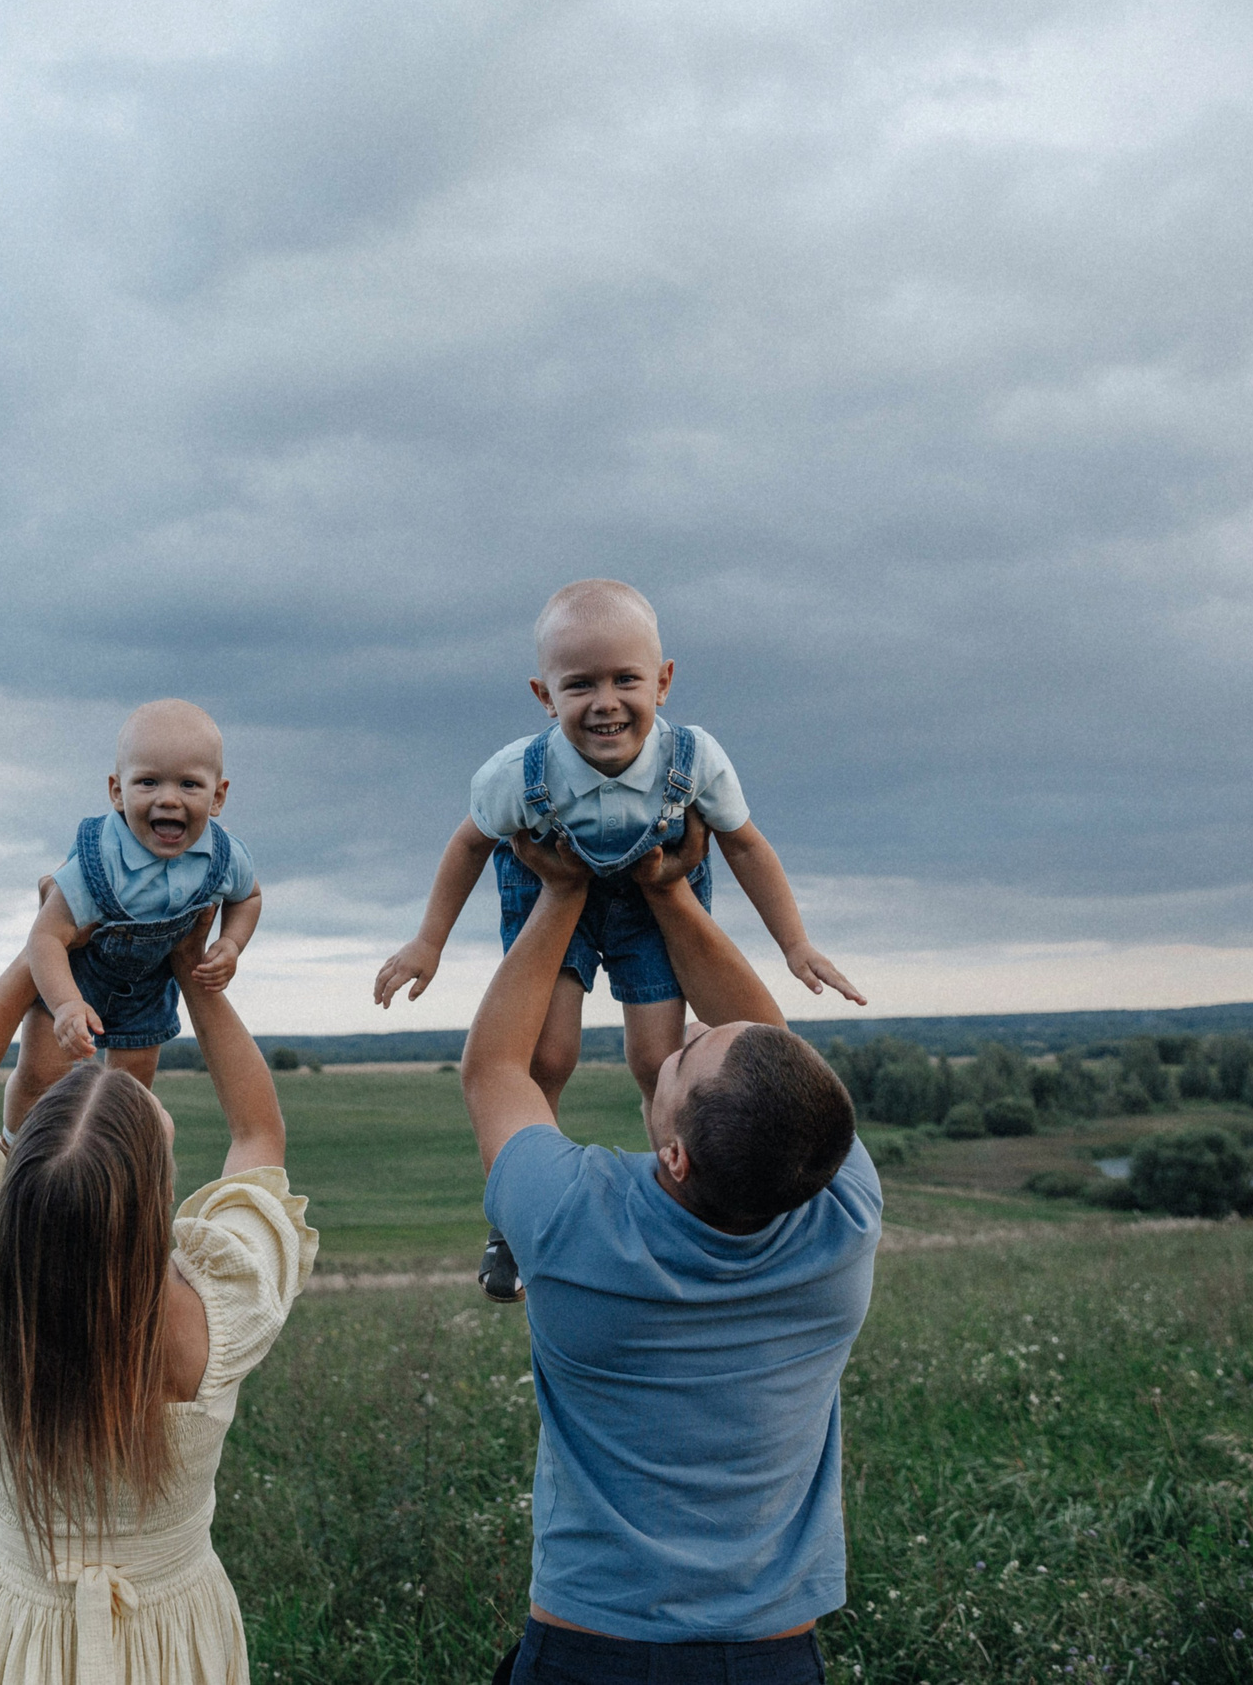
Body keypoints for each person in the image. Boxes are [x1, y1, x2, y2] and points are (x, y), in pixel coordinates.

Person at [461, 814, 879, 1685]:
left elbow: (496, 1069)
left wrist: (560, 895)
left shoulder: (574, 1221)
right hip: (771, 1655)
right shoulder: (841, 1210)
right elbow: (777, 1052)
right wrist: (669, 890)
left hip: (589, 1645)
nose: (674, 1046)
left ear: (675, 1155)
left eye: (680, 1063)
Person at [372, 579, 862, 1299]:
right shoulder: (519, 773)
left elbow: (747, 846)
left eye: (625, 679)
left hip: (651, 897)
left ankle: (682, 1189)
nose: (605, 701)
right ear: (545, 695)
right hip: (546, 890)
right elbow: (469, 845)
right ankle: (513, 1217)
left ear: (662, 682)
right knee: (548, 1052)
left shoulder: (694, 761)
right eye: (580, 684)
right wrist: (427, 942)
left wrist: (794, 941)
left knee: (658, 1058)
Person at [0, 914, 314, 1685]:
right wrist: (193, 972)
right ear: (158, 1202)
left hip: (15, 1637)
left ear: (14, 1198)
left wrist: (42, 947)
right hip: (175, 1640)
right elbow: (258, 1132)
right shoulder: (219, 1310)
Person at [0, 698, 263, 1144]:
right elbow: (45, 938)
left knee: (128, 1092)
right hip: (76, 976)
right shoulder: (100, 862)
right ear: (117, 790)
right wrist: (66, 1004)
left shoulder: (223, 856)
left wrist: (231, 943)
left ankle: (112, 1162)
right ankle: (14, 1148)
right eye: (148, 782)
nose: (168, 798)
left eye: (189, 784)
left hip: (148, 988)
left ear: (218, 796)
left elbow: (248, 897)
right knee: (42, 1076)